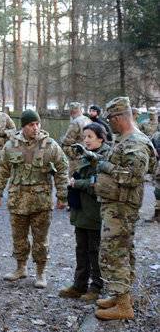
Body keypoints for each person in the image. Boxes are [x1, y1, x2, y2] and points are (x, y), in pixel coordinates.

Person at [93, 97, 156, 321]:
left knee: (114, 251)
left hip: (122, 207)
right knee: (121, 249)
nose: (108, 123)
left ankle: (123, 306)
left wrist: (106, 166)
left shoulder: (136, 143)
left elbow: (133, 176)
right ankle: (121, 296)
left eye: (110, 119)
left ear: (119, 118)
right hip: (115, 205)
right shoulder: (124, 139)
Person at [0, 110, 69, 288]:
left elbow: (62, 169)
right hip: (18, 201)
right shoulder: (11, 146)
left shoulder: (50, 145)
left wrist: (62, 196)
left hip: (41, 202)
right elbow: (1, 169)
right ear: (23, 127)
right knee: (19, 237)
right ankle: (21, 268)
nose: (35, 128)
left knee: (41, 239)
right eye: (31, 125)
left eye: (37, 124)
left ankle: (41, 272)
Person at [58, 124, 111, 302]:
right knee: (81, 249)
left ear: (101, 138)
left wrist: (76, 183)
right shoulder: (85, 156)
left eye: (90, 137)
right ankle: (79, 285)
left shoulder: (105, 156)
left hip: (95, 212)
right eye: (84, 137)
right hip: (82, 212)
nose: (86, 140)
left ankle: (96, 287)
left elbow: (98, 185)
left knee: (95, 251)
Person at [61, 102, 92, 176]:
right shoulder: (88, 120)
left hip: (77, 155)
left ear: (71, 112)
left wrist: (62, 141)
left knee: (72, 178)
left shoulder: (75, 122)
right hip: (87, 153)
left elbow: (67, 141)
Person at [148, 129, 160, 222]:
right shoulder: (156, 135)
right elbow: (151, 147)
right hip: (158, 163)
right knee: (157, 191)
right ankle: (157, 214)